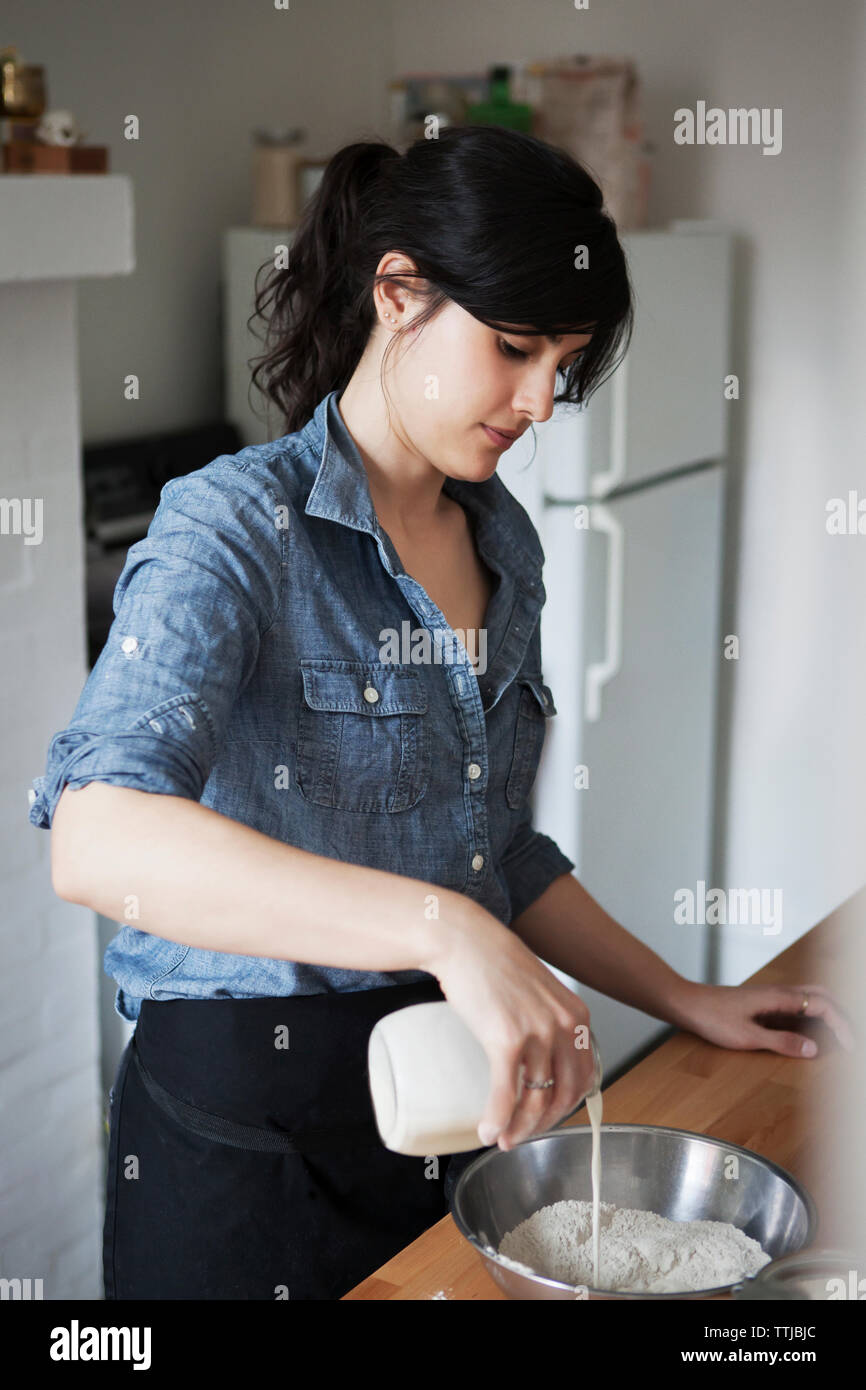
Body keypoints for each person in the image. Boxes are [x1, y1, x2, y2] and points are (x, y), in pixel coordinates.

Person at [31, 126, 852, 1301]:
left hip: (442, 1102)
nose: (539, 403)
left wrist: (683, 997)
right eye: (513, 348)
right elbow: (100, 833)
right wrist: (441, 928)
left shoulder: (500, 544)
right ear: (398, 292)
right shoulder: (229, 529)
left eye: (559, 365)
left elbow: (492, 849)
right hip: (240, 1148)